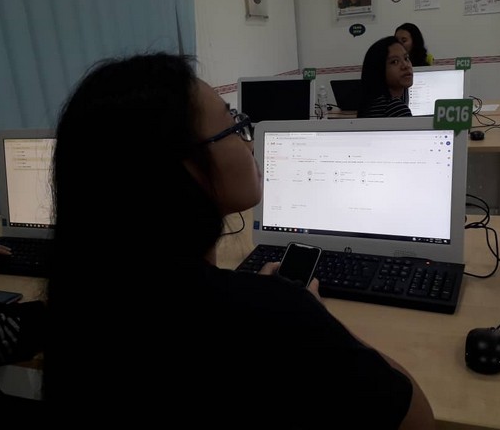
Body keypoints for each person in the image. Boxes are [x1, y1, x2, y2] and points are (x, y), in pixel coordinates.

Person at [43, 52, 435, 429]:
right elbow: (418, 419)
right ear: (181, 171)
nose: (250, 143)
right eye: (234, 126)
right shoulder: (276, 317)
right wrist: (313, 317)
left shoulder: (82, 301)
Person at [358, 36, 414, 118]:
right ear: (379, 70)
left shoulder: (373, 104)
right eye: (395, 62)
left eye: (406, 58)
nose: (405, 65)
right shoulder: (395, 108)